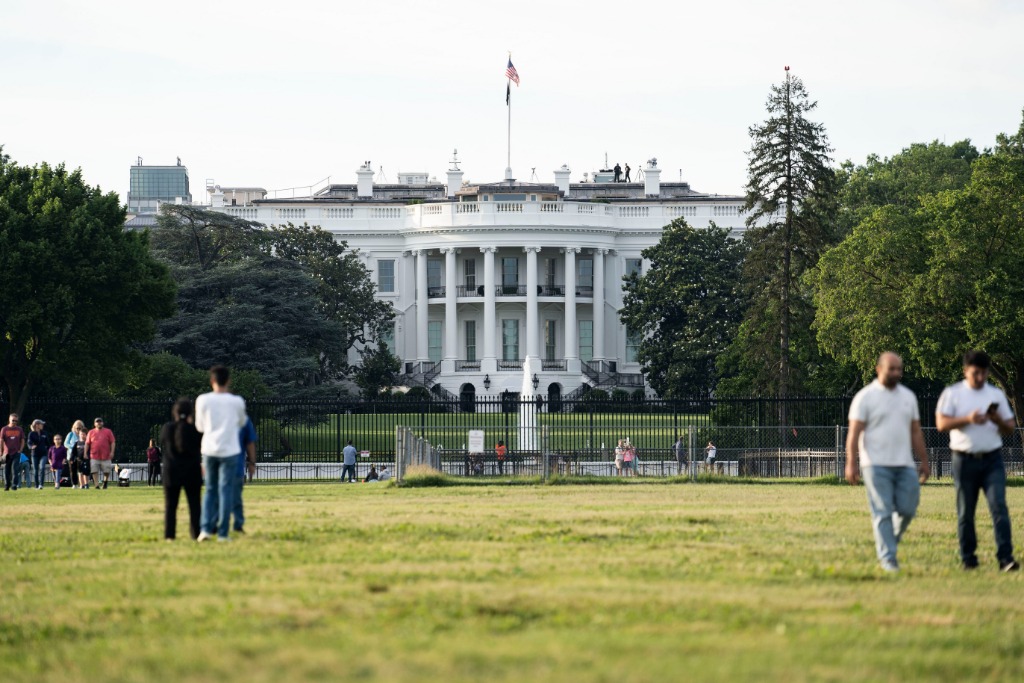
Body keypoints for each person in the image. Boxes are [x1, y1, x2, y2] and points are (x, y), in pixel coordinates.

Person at [845, 352, 930, 573]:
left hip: (904, 464)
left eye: (899, 369)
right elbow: (854, 433)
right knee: (882, 511)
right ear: (878, 369)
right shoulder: (865, 397)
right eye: (891, 369)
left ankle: (889, 538)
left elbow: (915, 431)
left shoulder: (908, 397)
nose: (896, 373)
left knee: (908, 509)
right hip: (874, 464)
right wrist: (851, 463)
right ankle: (888, 559)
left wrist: (924, 460)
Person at [936, 350, 1020, 572]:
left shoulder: (995, 395)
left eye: (984, 373)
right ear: (965, 371)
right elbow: (941, 424)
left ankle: (1005, 558)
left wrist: (997, 419)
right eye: (976, 374)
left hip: (992, 459)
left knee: (999, 507)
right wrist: (967, 419)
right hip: (963, 459)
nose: (980, 378)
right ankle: (968, 559)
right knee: (966, 511)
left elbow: (1010, 428)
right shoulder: (953, 394)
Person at [195, 365, 247, 542]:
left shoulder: (202, 400)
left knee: (210, 490)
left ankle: (205, 529)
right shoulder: (237, 401)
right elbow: (241, 423)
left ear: (212, 381)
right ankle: (223, 533)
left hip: (209, 448)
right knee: (225, 491)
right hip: (230, 449)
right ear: (228, 381)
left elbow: (199, 427)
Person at [160, 398, 203, 541]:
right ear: (191, 413)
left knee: (171, 506)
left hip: (172, 471)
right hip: (192, 471)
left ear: (175, 413)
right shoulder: (196, 431)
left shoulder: (167, 429)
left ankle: (169, 535)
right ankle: (196, 533)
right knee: (195, 505)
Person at [232, 417, 258, 534]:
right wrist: (252, 462)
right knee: (236, 497)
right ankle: (237, 525)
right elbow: (250, 442)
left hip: (219, 462)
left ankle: (212, 525)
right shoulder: (243, 419)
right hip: (237, 464)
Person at [85, 417, 116, 490]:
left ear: (102, 423)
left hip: (106, 455)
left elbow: (112, 442)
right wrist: (85, 453)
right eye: (97, 422)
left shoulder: (108, 431)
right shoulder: (91, 432)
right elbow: (87, 443)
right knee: (94, 470)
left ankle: (105, 482)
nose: (99, 423)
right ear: (94, 424)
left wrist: (112, 452)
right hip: (94, 455)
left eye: (100, 422)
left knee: (106, 471)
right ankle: (96, 485)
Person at [2, 413, 26, 491]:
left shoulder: (19, 429)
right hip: (7, 453)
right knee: (7, 470)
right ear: (9, 420)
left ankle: (14, 485)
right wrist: (1, 451)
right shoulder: (4, 429)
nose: (14, 422)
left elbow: (22, 440)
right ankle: (7, 485)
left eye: (16, 421)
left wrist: (21, 449)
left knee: (15, 469)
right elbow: (1, 441)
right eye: (13, 420)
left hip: (16, 452)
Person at [27, 419, 50, 490]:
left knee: (42, 467)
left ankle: (41, 485)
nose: (42, 425)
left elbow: (48, 443)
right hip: (35, 454)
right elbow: (29, 443)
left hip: (43, 454)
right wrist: (31, 447)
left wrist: (48, 449)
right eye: (41, 424)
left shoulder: (44, 433)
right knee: (35, 470)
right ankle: (36, 485)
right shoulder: (31, 434)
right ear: (37, 425)